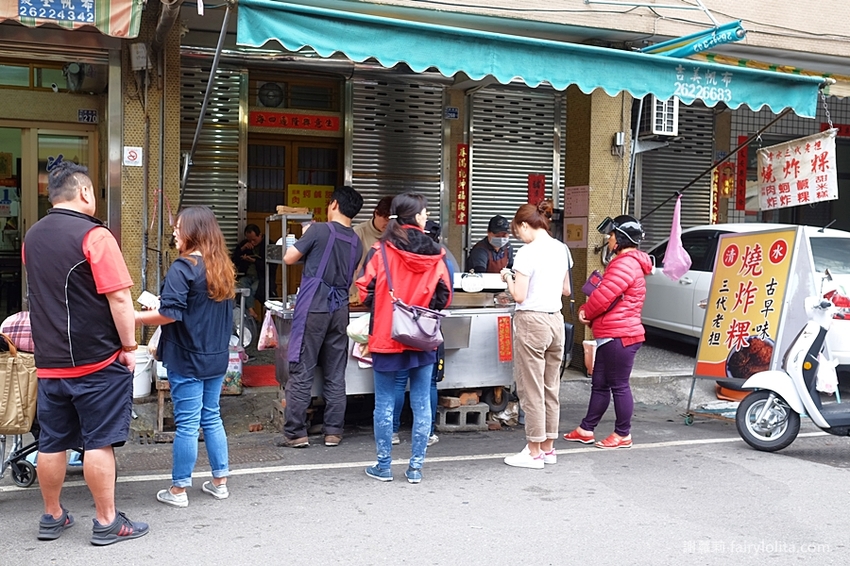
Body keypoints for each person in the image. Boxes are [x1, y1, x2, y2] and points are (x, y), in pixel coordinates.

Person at [23, 161, 149, 545]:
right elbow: (120, 298)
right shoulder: (95, 236)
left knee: (52, 441)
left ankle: (52, 515)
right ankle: (107, 521)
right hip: (94, 360)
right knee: (98, 441)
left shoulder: (32, 237)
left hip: (49, 363)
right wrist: (129, 347)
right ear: (85, 193)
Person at [134, 206, 235, 507]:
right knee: (212, 416)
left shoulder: (183, 267)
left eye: (179, 228)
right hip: (216, 357)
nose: (175, 233)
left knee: (188, 424)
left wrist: (135, 317)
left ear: (194, 231)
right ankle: (220, 482)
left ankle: (178, 490)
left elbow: (169, 313)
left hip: (188, 357)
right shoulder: (223, 267)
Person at [357, 192, 452, 483]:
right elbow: (444, 296)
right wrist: (421, 310)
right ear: (415, 217)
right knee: (422, 401)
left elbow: (364, 291)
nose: (426, 217)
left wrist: (387, 308)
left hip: (387, 336)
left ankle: (383, 466)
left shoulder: (381, 250)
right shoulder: (436, 253)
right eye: (424, 212)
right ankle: (415, 468)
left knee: (384, 402)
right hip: (422, 337)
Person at [278, 185, 364, 448]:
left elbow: (288, 258)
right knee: (335, 371)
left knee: (302, 369)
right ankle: (333, 431)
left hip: (314, 307)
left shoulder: (318, 230)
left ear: (334, 204)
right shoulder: (356, 241)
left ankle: (296, 433)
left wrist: (304, 237)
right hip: (340, 310)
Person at [563, 215, 652, 449]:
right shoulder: (628, 263)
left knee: (619, 385)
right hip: (614, 334)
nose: (609, 239)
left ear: (620, 239)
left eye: (612, 235)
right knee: (600, 383)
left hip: (620, 335)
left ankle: (623, 434)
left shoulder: (624, 263)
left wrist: (586, 312)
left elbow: (603, 297)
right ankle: (586, 429)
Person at [499, 200, 571, 469]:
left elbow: (519, 295)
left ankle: (533, 451)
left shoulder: (527, 253)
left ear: (526, 225)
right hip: (556, 322)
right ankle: (549, 448)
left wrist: (507, 277)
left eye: (519, 231)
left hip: (532, 322)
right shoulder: (561, 248)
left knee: (531, 389)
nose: (519, 236)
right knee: (550, 387)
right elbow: (566, 289)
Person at [390, 220, 454, 447]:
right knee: (428, 383)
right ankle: (426, 433)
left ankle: (393, 431)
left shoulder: (397, 254)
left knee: (398, 381)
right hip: (429, 326)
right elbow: (447, 295)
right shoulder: (442, 259)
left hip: (402, 325)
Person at [350, 195, 393, 304]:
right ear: (376, 213)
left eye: (391, 219)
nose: (387, 223)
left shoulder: (397, 236)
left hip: (387, 299)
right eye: (385, 218)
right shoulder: (358, 233)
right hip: (358, 297)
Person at [232, 224, 272, 319]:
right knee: (242, 284)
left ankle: (250, 311)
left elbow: (271, 266)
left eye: (254, 240)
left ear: (260, 235)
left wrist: (254, 261)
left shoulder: (268, 245)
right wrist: (242, 249)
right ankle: (251, 310)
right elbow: (234, 260)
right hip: (248, 275)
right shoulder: (245, 244)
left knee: (252, 290)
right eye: (250, 240)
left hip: (262, 278)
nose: (252, 242)